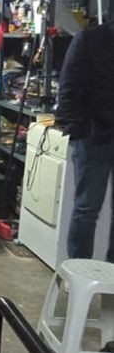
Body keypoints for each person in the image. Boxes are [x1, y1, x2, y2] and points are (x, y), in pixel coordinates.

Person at [55, 18, 114, 260]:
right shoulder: (90, 39)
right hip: (94, 136)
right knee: (87, 208)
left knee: (86, 209)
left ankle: (111, 273)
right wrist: (76, 129)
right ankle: (79, 270)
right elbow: (68, 85)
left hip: (94, 134)